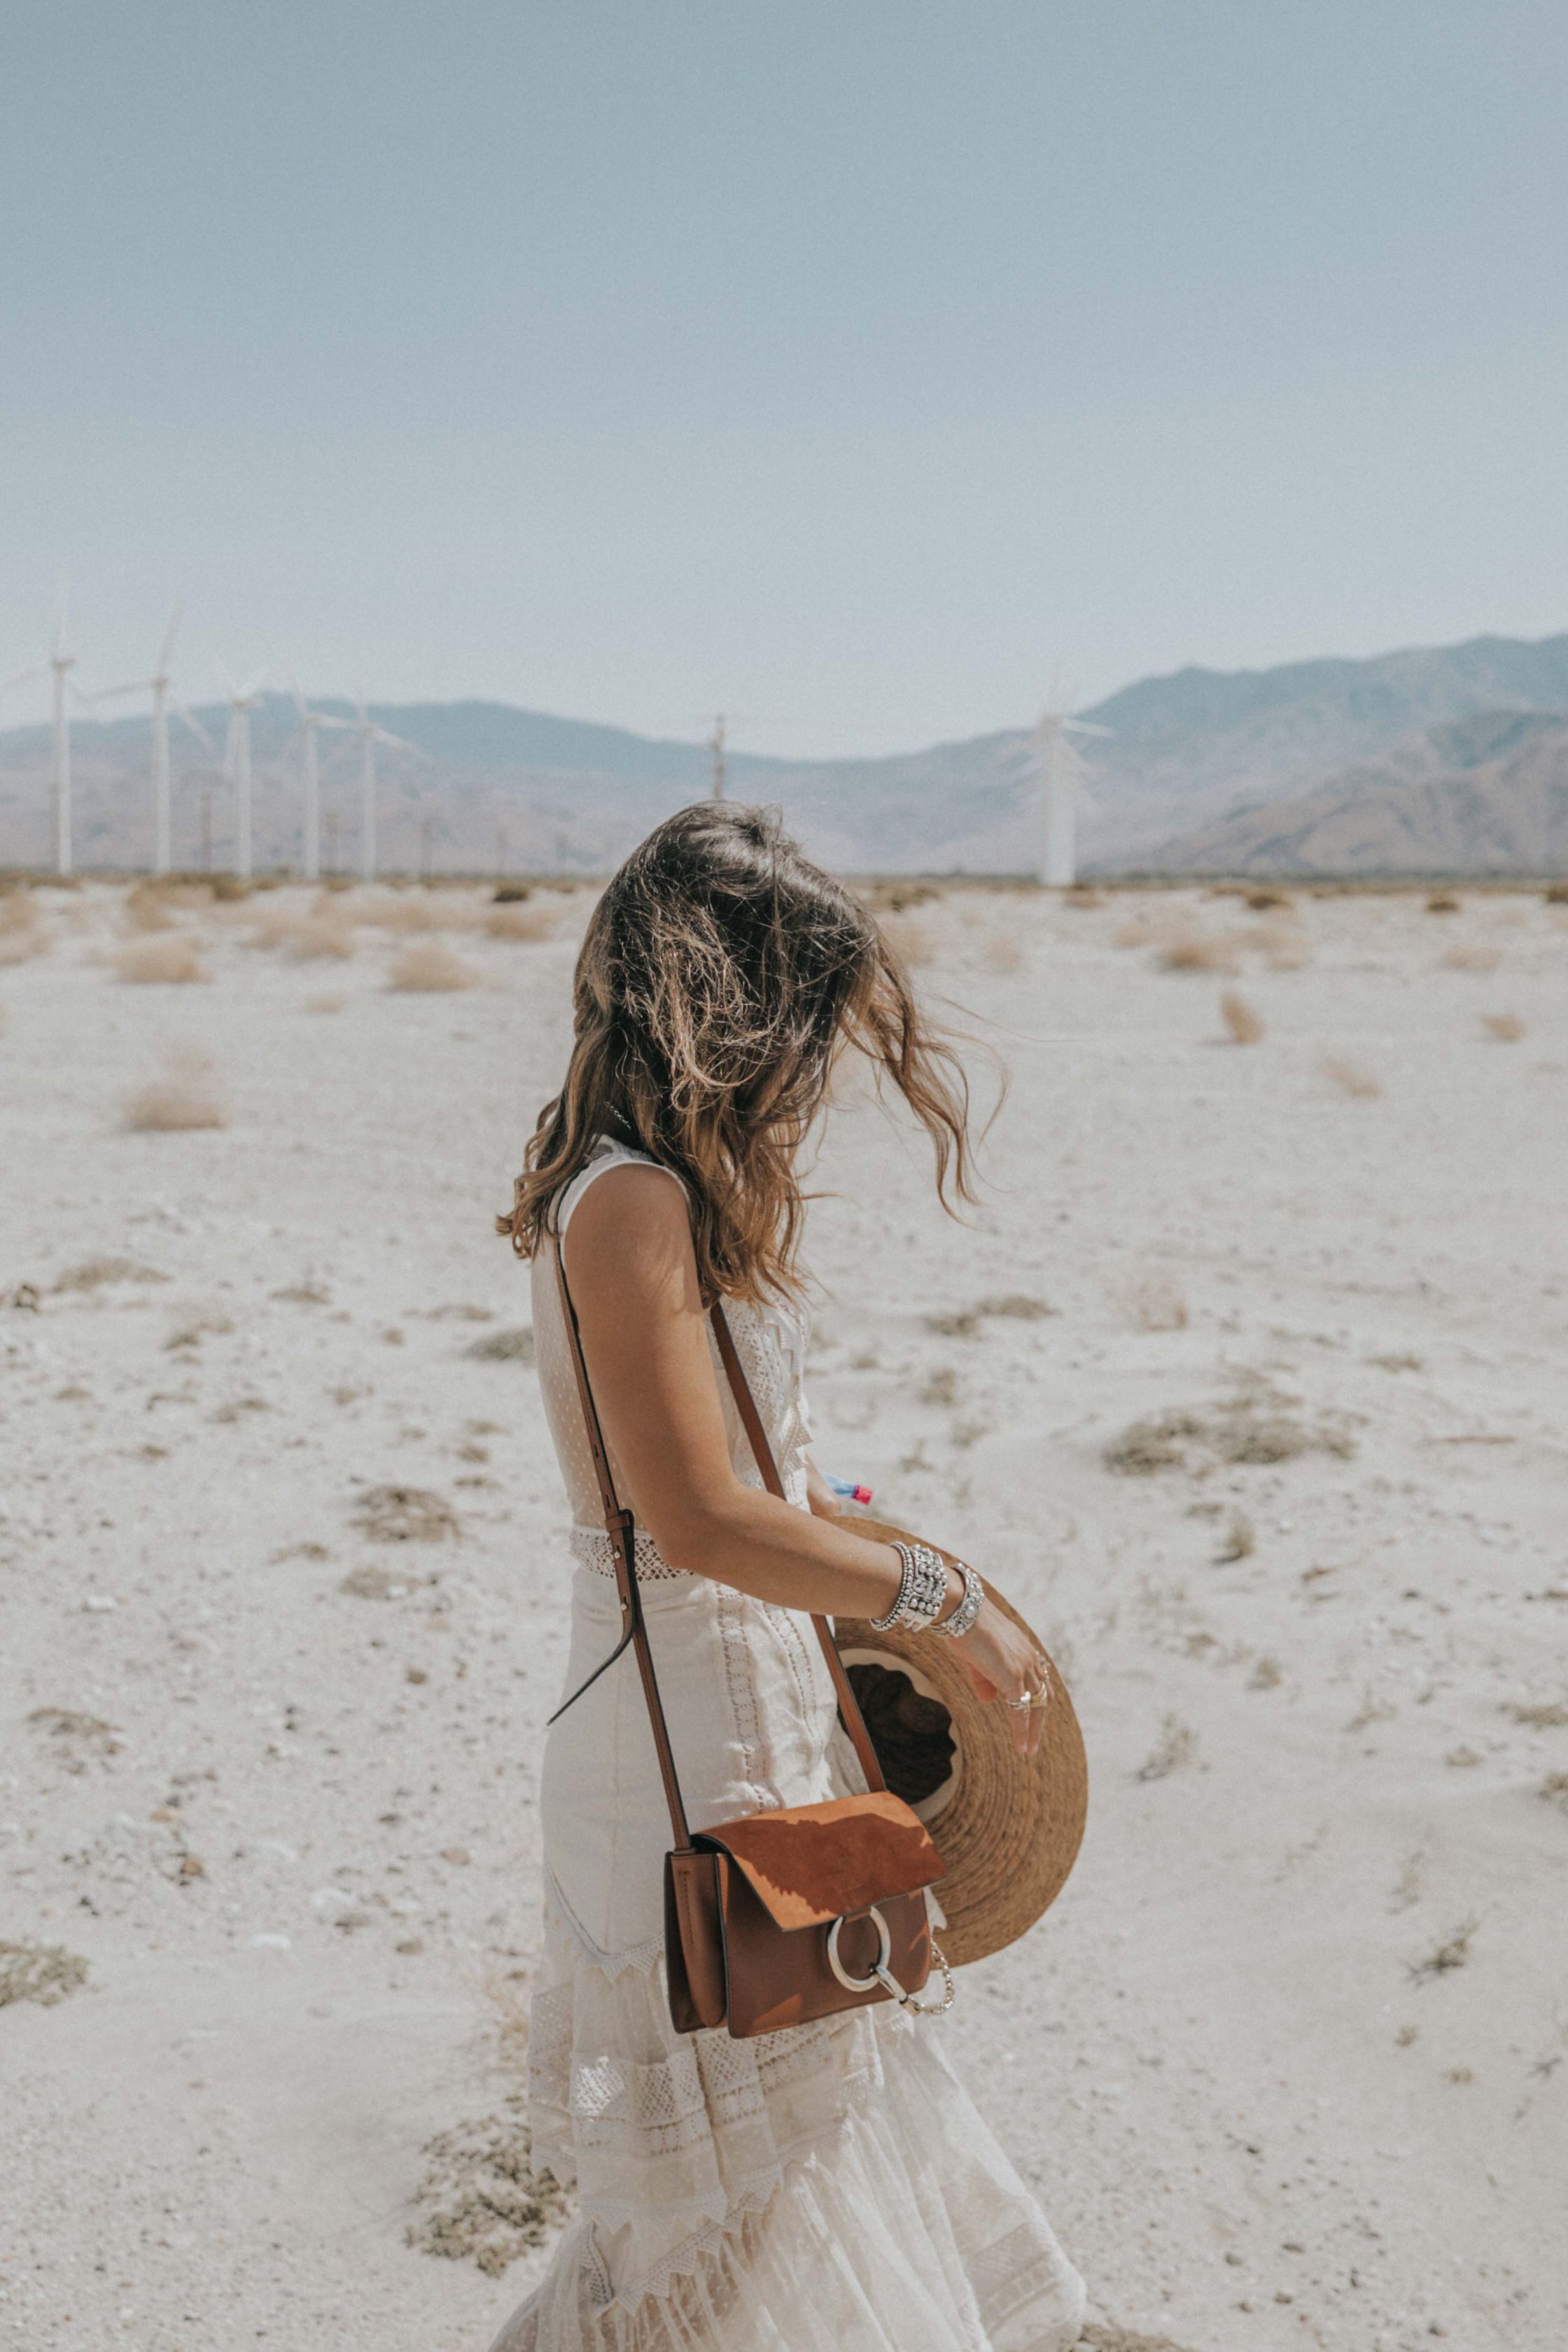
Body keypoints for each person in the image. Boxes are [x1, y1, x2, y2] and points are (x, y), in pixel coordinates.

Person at [488, 804, 1086, 2351]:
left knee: (778, 2190)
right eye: (807, 1020)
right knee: (723, 2216)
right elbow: (693, 1520)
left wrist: (850, 1528)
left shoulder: (652, 1193)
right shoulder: (631, 1200)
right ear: (730, 1005)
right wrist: (941, 1602)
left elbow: (746, 1490)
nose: (818, 1064)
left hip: (750, 1723)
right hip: (687, 1748)